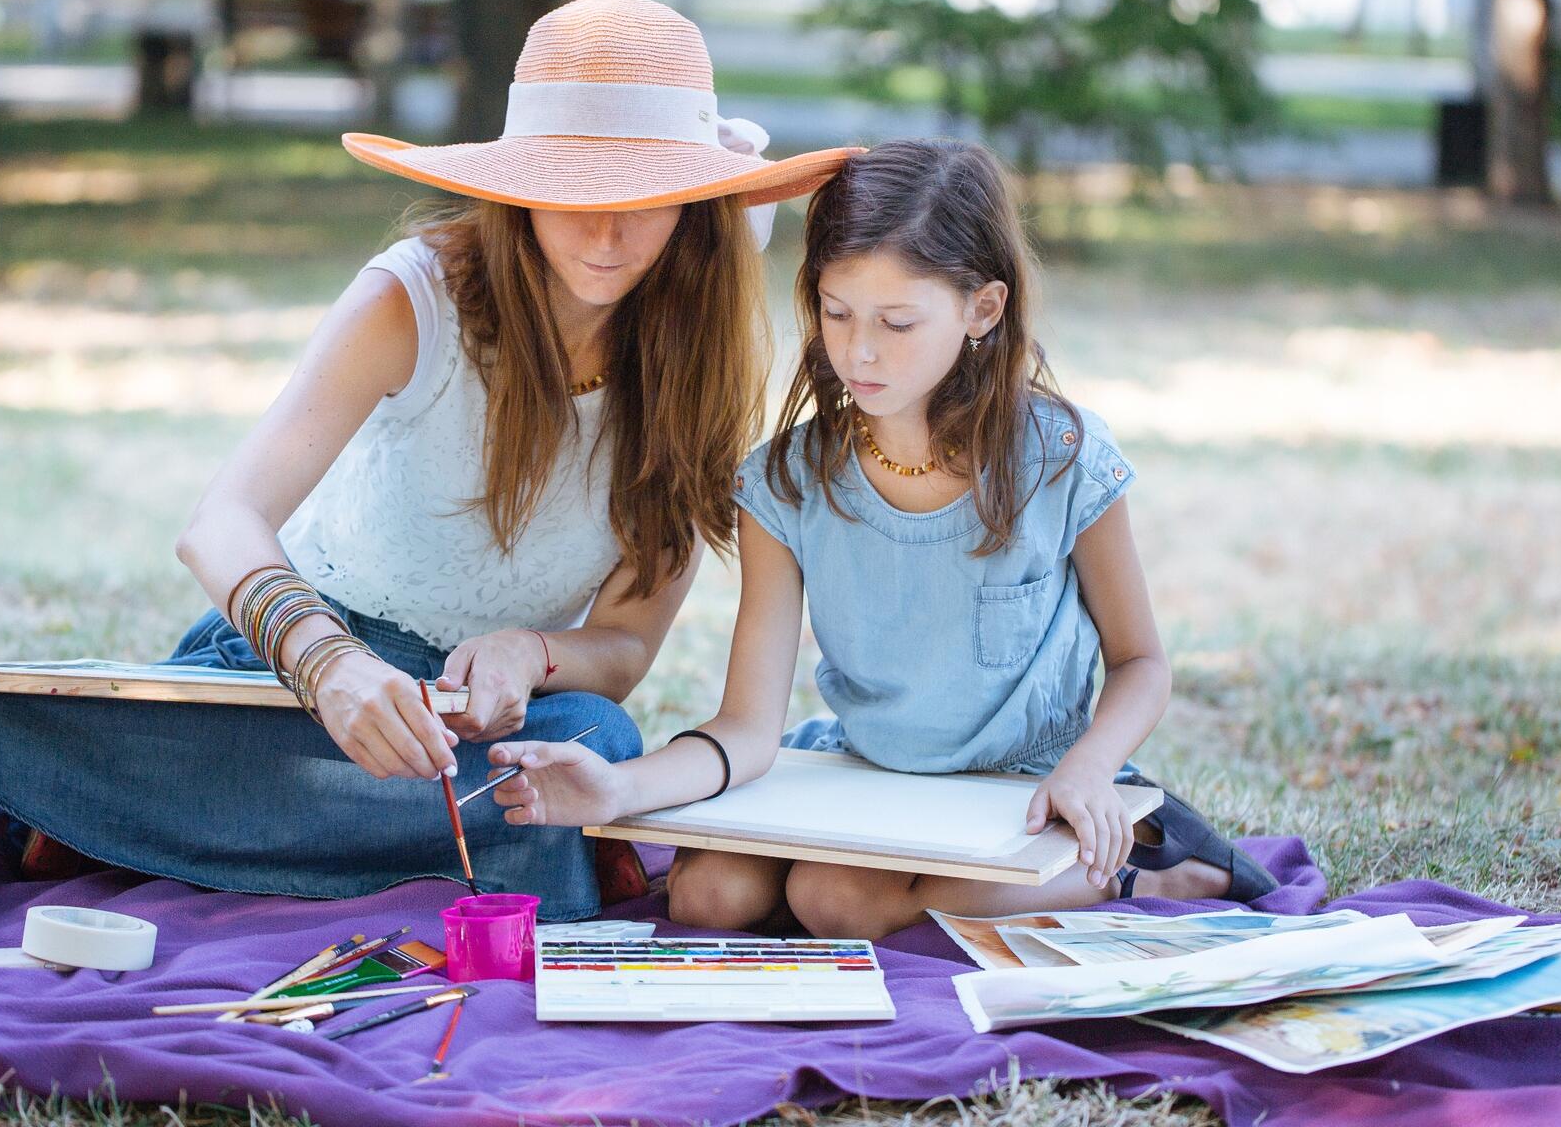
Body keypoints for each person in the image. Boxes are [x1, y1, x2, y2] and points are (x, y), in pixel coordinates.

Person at [0, 0, 861, 922]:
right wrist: (332, 670)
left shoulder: (693, 365)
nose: (607, 234)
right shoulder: (414, 298)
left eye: (643, 198)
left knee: (595, 739)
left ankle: (139, 834)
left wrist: (529, 655)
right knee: (6, 727)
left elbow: (622, 651)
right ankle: (401, 848)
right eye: (571, 192)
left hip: (477, 727)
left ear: (695, 205)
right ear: (514, 183)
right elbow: (221, 523)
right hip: (290, 686)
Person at [482, 139, 1279, 938]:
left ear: (983, 309)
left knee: (837, 899)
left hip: (1026, 789)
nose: (859, 351)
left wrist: (1091, 767)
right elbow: (747, 728)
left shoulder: (1061, 460)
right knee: (707, 897)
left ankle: (1150, 881)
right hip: (863, 776)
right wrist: (618, 789)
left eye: (897, 321)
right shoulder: (788, 484)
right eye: (836, 312)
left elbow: (1142, 663)